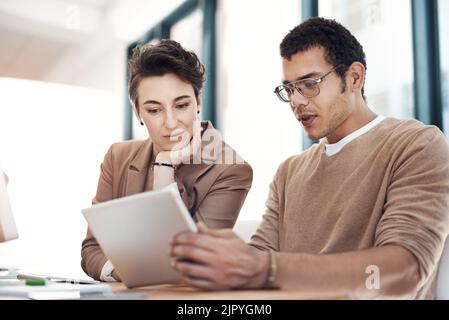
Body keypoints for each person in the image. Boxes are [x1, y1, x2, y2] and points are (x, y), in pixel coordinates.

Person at [169, 17, 449, 299]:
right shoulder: (289, 172)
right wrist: (215, 260)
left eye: (309, 84)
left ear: (354, 77)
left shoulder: (415, 145)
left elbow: (404, 273)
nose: (296, 101)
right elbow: (259, 256)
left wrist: (266, 268)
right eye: (289, 89)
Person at [81, 40, 253, 282]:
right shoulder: (117, 157)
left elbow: (186, 264)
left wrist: (164, 168)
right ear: (138, 113)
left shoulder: (231, 170)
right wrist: (124, 271)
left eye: (181, 105)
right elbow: (91, 251)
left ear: (199, 103)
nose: (171, 123)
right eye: (154, 110)